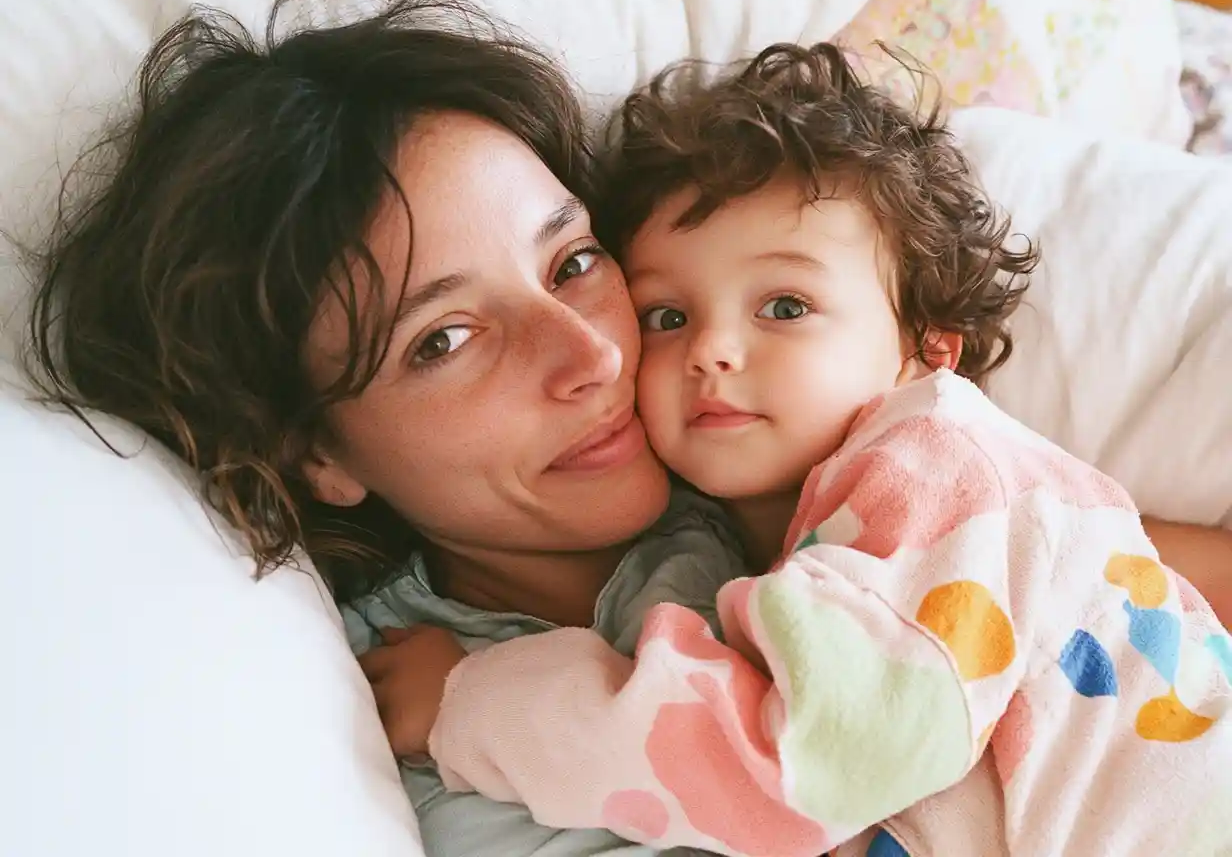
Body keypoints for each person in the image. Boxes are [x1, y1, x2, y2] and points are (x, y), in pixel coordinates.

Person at [22, 0, 1231, 857]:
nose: (595, 353)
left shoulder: (814, 450)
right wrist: (468, 703)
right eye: (442, 339)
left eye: (575, 261)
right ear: (315, 454)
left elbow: (1123, 582)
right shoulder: (414, 714)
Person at [397, 43, 1232, 857]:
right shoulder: (787, 530)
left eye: (786, 306)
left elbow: (800, 768)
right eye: (668, 315)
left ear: (926, 348)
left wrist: (473, 701)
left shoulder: (935, 466)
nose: (711, 350)